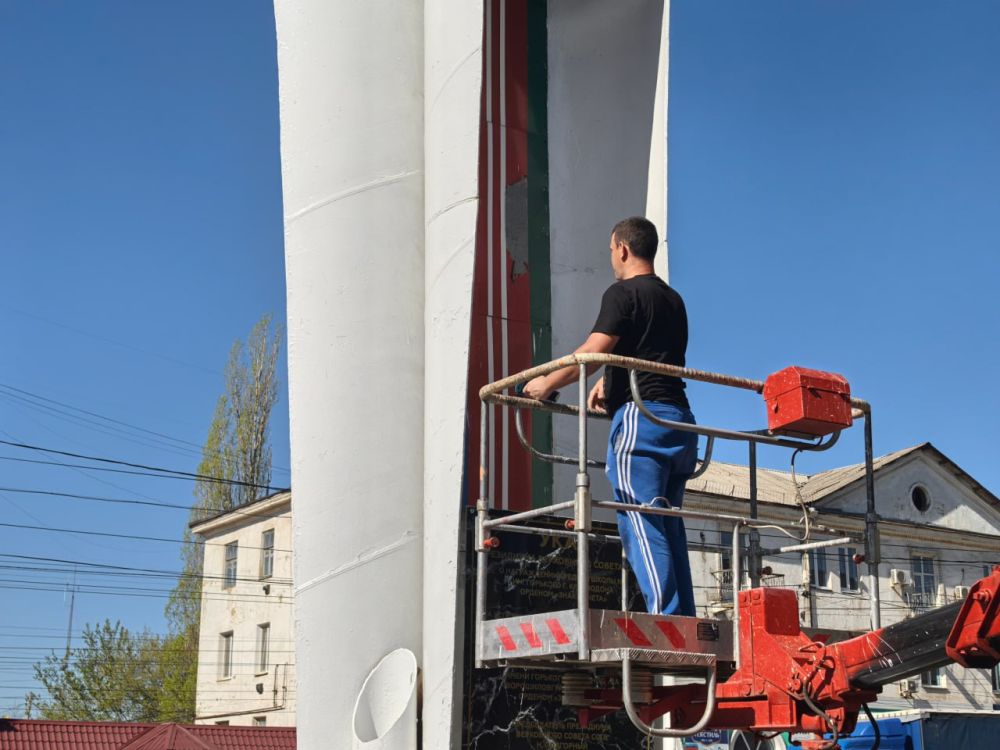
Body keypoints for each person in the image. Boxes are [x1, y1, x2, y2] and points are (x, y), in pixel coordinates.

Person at [523, 216, 698, 616]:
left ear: (621, 248)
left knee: (640, 521)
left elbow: (592, 351)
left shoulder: (621, 294)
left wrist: (545, 383)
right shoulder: (674, 300)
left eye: (610, 250)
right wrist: (612, 382)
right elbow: (649, 352)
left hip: (642, 420)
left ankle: (668, 622)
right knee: (667, 523)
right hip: (679, 420)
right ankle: (685, 619)